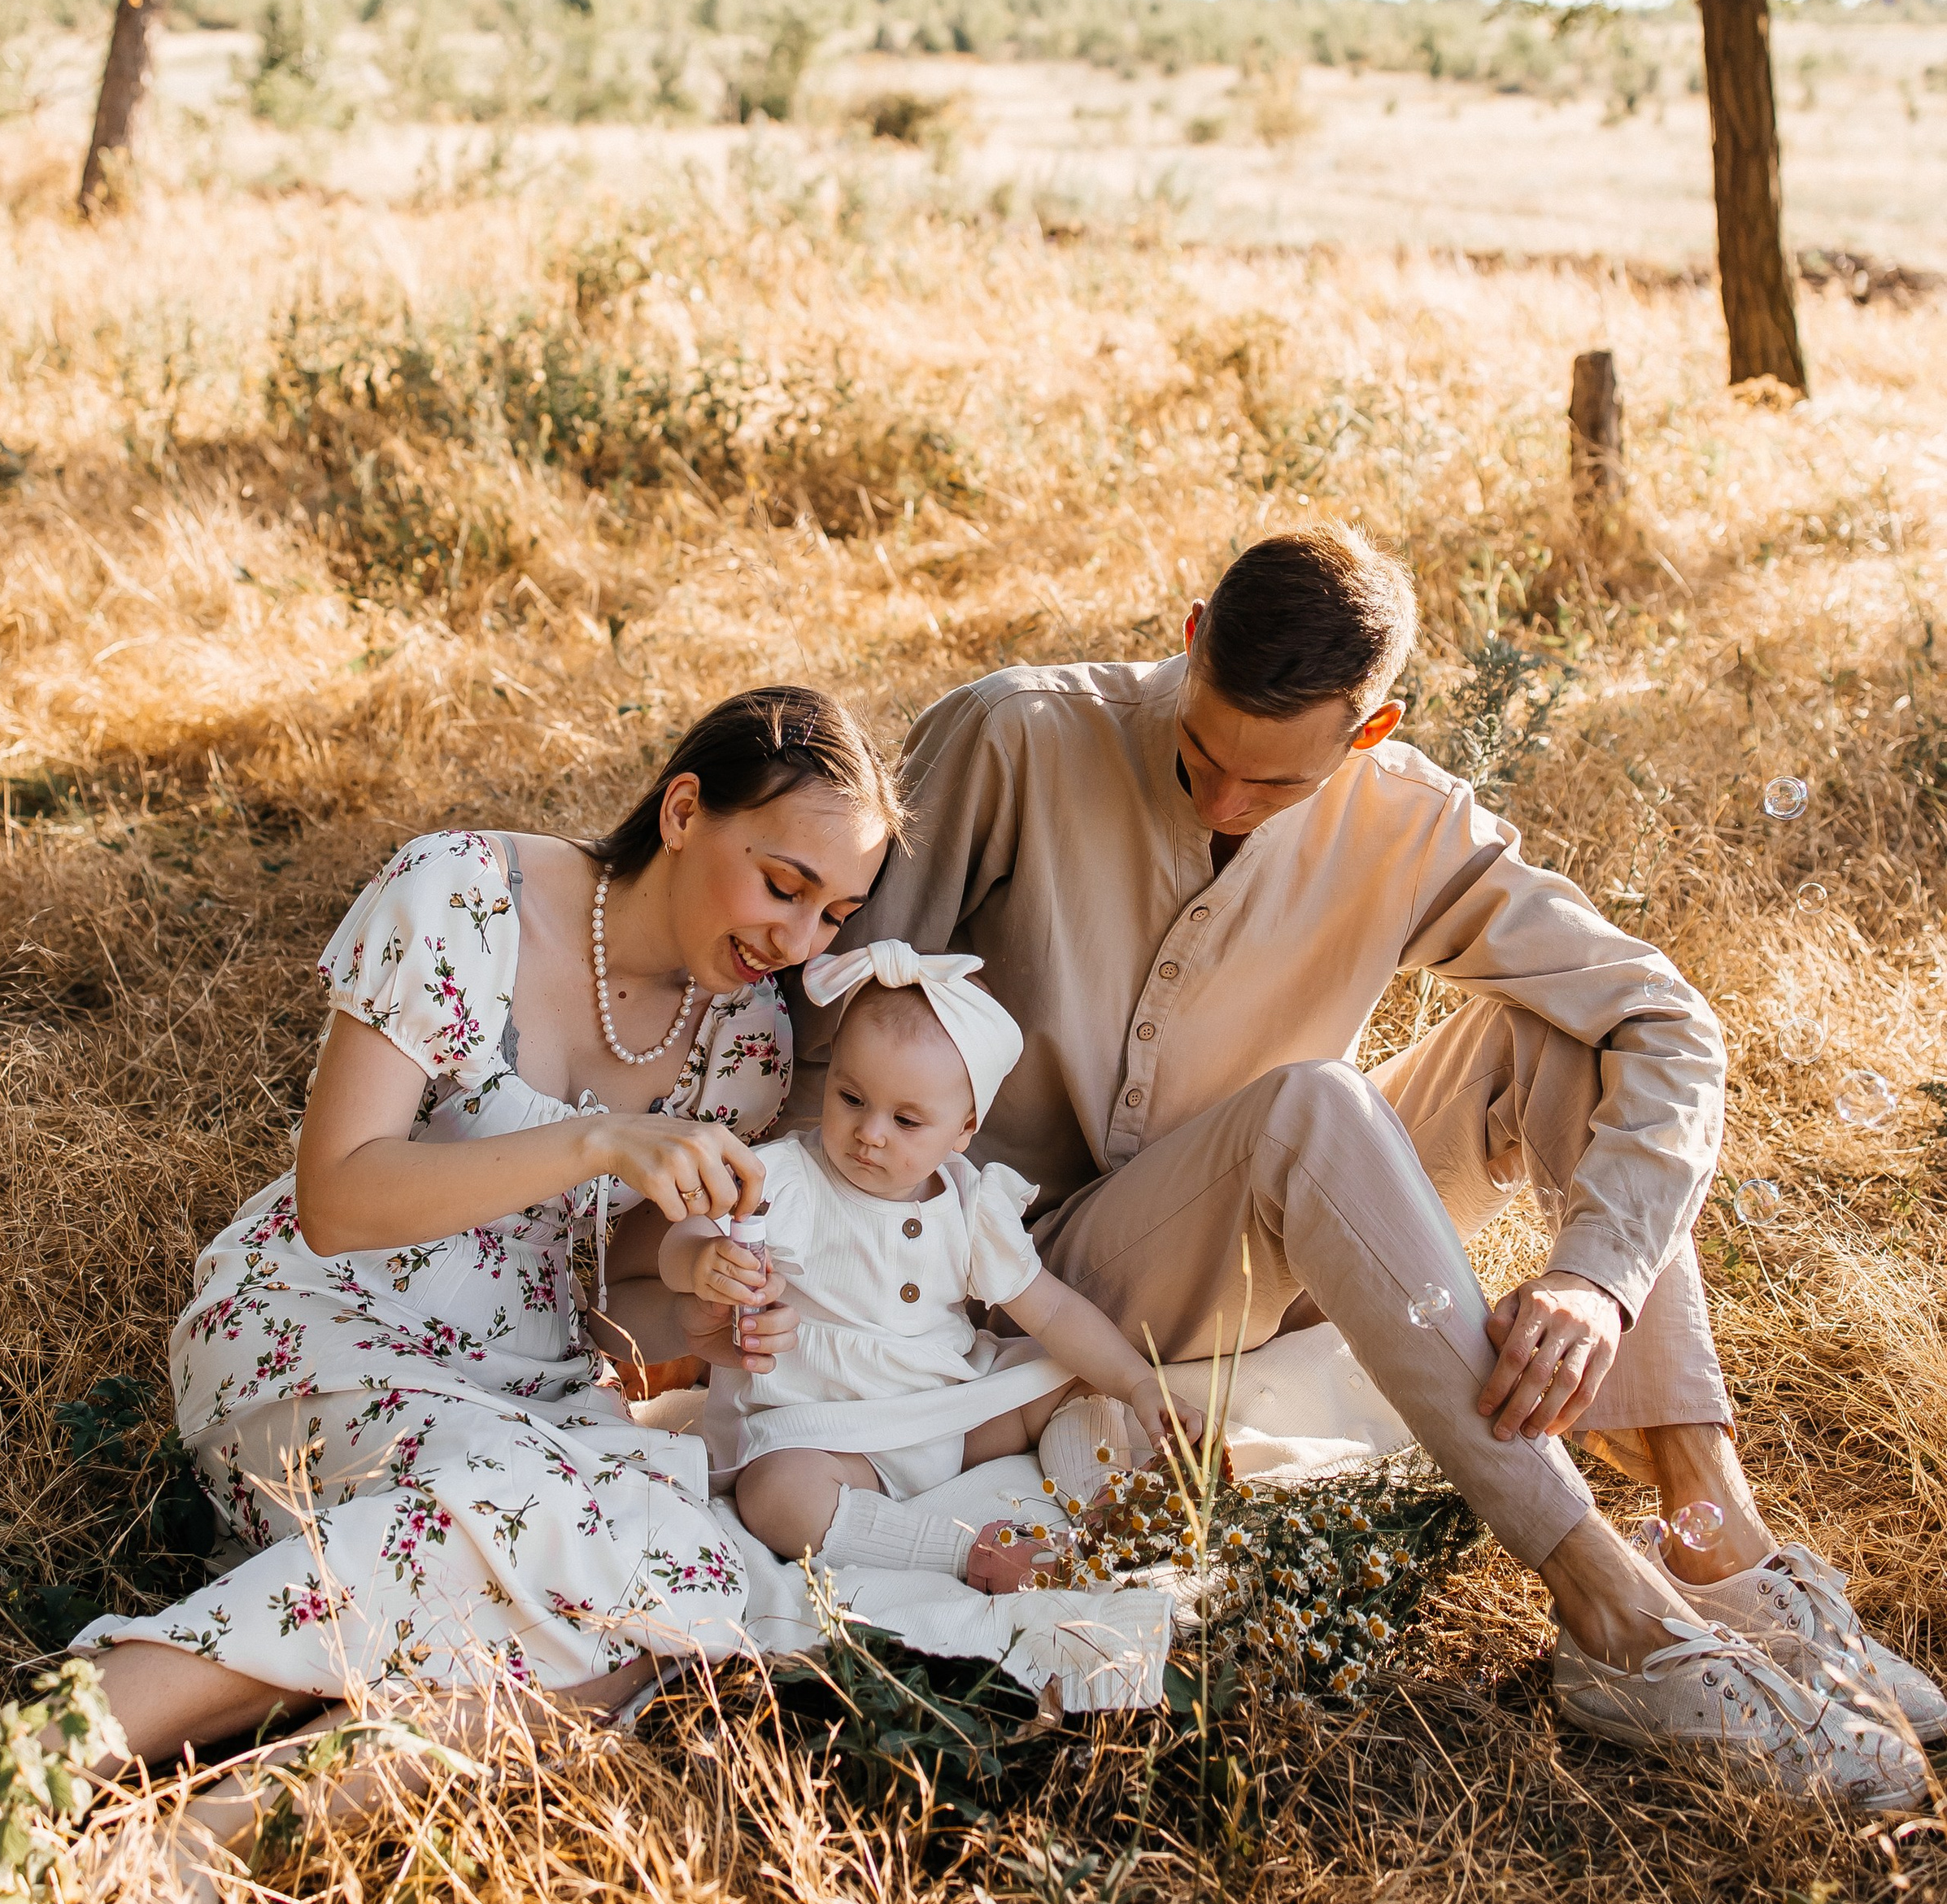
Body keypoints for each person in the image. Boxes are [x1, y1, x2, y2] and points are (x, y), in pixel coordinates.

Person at [803, 527, 1941, 1801]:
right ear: (1191, 641)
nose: (1224, 800)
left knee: (1549, 1037)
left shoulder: (1410, 816)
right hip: (1028, 1267)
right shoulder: (1011, 735)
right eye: (1202, 753)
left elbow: (1663, 1020)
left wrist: (1597, 1279)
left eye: (1274, 786)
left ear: (1371, 725)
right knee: (1312, 1107)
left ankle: (1714, 1536)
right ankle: (1615, 1614)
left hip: (1278, 1234)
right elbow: (835, 1014)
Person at [0, 685, 894, 1904]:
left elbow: (618, 1294)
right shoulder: (460, 892)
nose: (796, 939)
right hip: (320, 1325)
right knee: (538, 1528)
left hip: (522, 1387)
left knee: (654, 1621)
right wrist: (590, 1136)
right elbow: (341, 1194)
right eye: (783, 884)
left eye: (833, 915)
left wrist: (706, 1281)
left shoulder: (741, 1039)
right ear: (686, 809)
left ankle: (202, 1836)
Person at [661, 941, 1171, 1565]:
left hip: (947, 1415)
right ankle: (962, 1552)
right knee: (775, 1495)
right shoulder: (788, 1180)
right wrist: (698, 1262)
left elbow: (1056, 1313)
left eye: (907, 1121)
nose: (870, 1133)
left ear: (963, 1129)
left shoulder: (970, 1204)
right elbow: (684, 1235)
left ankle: (1108, 1506)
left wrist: (1138, 1382)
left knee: (1070, 1375)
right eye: (851, 1098)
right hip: (829, 1430)